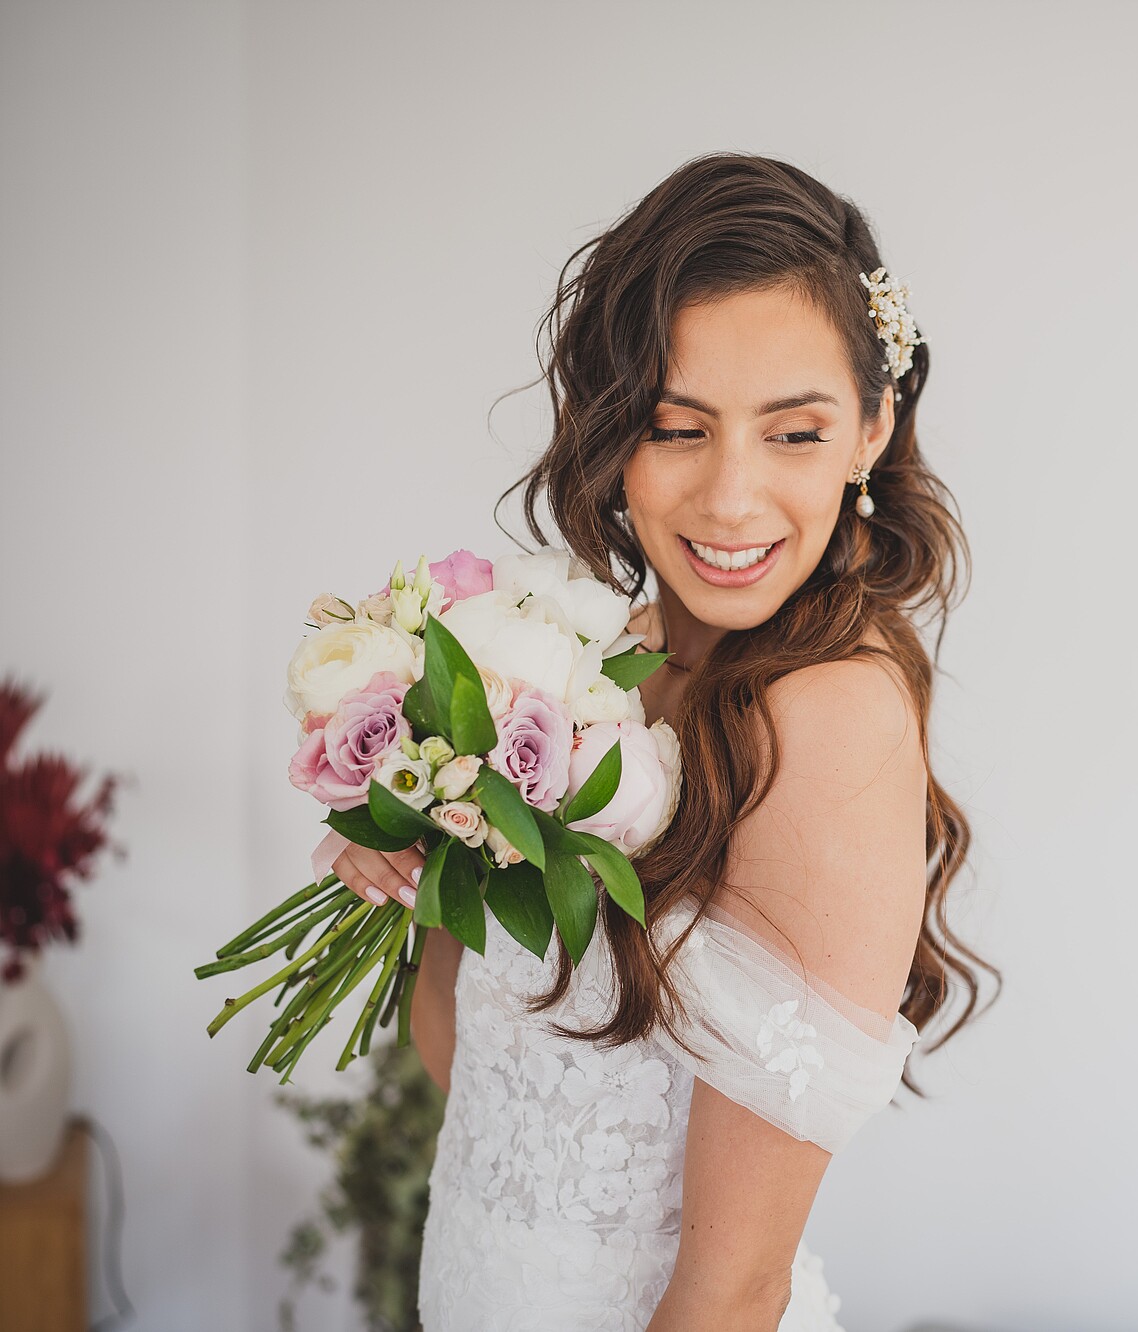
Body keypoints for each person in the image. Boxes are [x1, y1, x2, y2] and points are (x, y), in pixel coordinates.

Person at [313, 152, 996, 1331]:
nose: (730, 500)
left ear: (872, 428)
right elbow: (469, 1072)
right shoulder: (591, 669)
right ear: (612, 429)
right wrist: (422, 864)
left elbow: (732, 1290)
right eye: (680, 427)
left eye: (792, 434)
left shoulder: (826, 713)